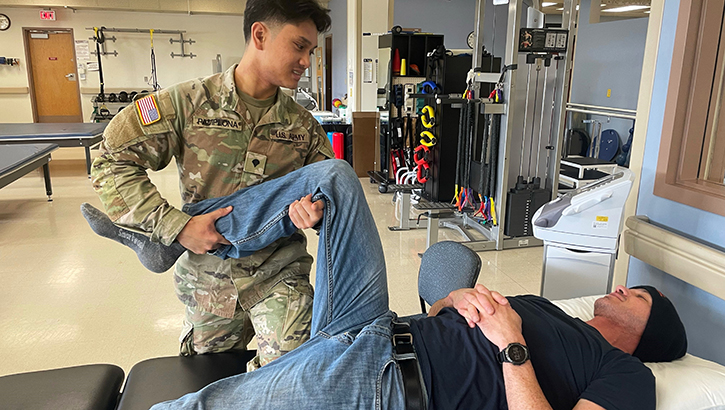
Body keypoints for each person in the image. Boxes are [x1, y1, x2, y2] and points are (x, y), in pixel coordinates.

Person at [92, 160, 686, 410]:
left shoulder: (626, 375)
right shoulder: (550, 309)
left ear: (646, 327)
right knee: (333, 180)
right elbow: (451, 307)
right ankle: (174, 236)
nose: (623, 288)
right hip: (378, 327)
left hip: (384, 385)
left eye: (639, 295)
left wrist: (512, 346)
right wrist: (458, 299)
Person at [88, 0, 334, 370]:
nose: (306, 61)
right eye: (299, 46)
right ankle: (158, 246)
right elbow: (110, 160)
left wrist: (313, 213)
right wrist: (176, 226)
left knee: (290, 376)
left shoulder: (303, 127)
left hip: (279, 275)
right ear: (260, 35)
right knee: (205, 380)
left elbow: (329, 195)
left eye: (311, 51)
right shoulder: (187, 104)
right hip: (209, 283)